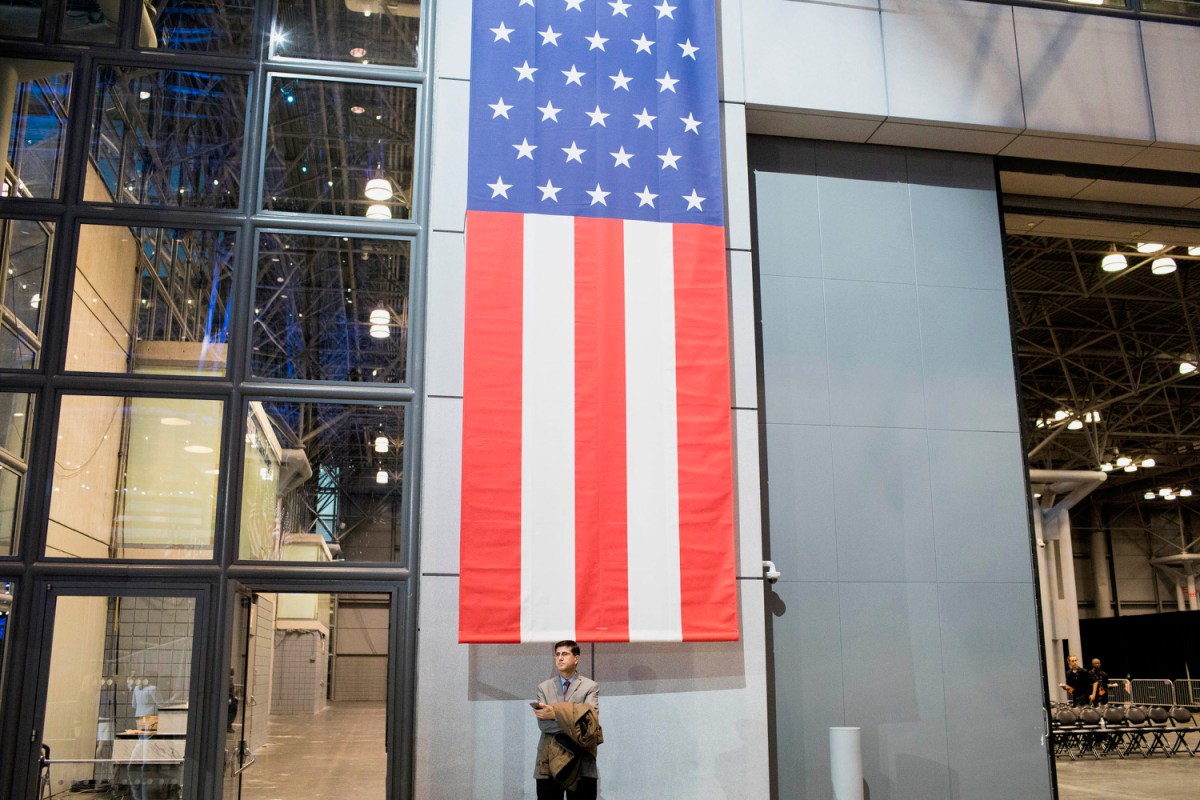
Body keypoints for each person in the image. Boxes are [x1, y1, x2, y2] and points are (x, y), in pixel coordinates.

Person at [532, 640, 600, 799]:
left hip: (581, 759)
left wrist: (555, 713)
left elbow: (589, 723)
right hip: (549, 758)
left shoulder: (590, 686)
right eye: (557, 654)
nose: (559, 658)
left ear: (576, 658)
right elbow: (544, 725)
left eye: (565, 654)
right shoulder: (544, 687)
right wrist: (574, 715)